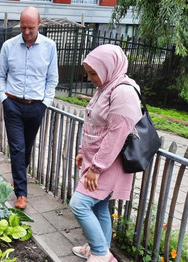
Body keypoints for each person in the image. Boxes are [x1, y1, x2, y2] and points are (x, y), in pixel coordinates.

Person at [69, 44, 142, 262]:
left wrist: (96, 168)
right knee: (99, 207)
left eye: (93, 73)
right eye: (89, 72)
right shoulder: (107, 87)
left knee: (79, 204)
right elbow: (93, 124)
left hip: (109, 164)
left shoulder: (124, 91)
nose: (90, 78)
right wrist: (83, 151)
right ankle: (99, 249)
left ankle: (101, 254)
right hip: (97, 161)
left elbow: (116, 135)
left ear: (109, 67)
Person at [0, 7, 58, 209]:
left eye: (30, 27)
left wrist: (45, 103)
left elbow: (52, 78)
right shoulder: (8, 46)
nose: (26, 31)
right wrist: (4, 99)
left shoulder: (49, 46)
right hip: (12, 104)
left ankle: (18, 175)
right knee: (17, 148)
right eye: (23, 27)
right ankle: (21, 194)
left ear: (39, 24)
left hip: (36, 106)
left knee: (27, 147)